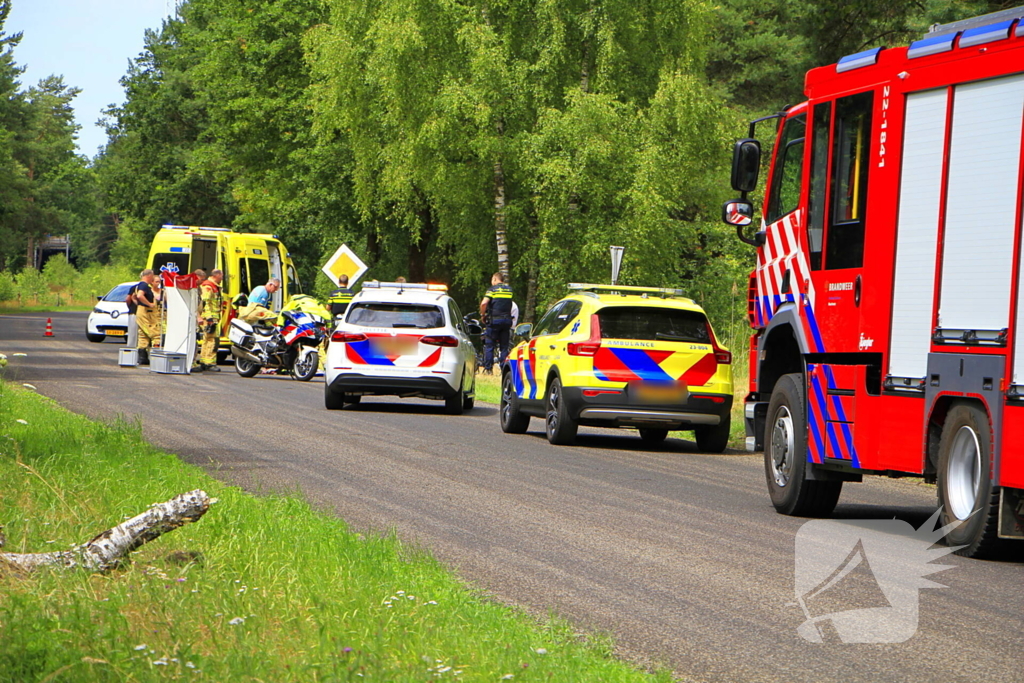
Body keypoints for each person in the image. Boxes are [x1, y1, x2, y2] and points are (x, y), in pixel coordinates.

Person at [479, 272, 515, 373]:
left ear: (495, 279)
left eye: (492, 280)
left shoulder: (492, 290)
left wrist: (483, 315)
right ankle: (504, 369)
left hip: (494, 321)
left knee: (490, 344)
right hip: (506, 321)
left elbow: (484, 303)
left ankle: (488, 369)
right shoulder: (509, 290)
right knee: (504, 346)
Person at [196, 269, 224, 372]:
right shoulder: (208, 286)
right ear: (216, 275)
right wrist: (209, 318)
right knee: (212, 340)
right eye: (221, 276)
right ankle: (209, 363)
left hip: (213, 317)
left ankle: (204, 361)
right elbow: (205, 303)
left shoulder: (214, 286)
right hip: (210, 318)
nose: (222, 278)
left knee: (208, 340)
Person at [133, 269, 160, 365]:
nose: (153, 278)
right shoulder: (144, 285)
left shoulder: (139, 285)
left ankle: (142, 358)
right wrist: (149, 304)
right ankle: (157, 358)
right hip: (146, 313)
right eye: (152, 276)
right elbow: (140, 296)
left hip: (141, 311)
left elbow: (134, 297)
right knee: (155, 334)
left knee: (143, 335)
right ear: (149, 275)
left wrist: (138, 305)